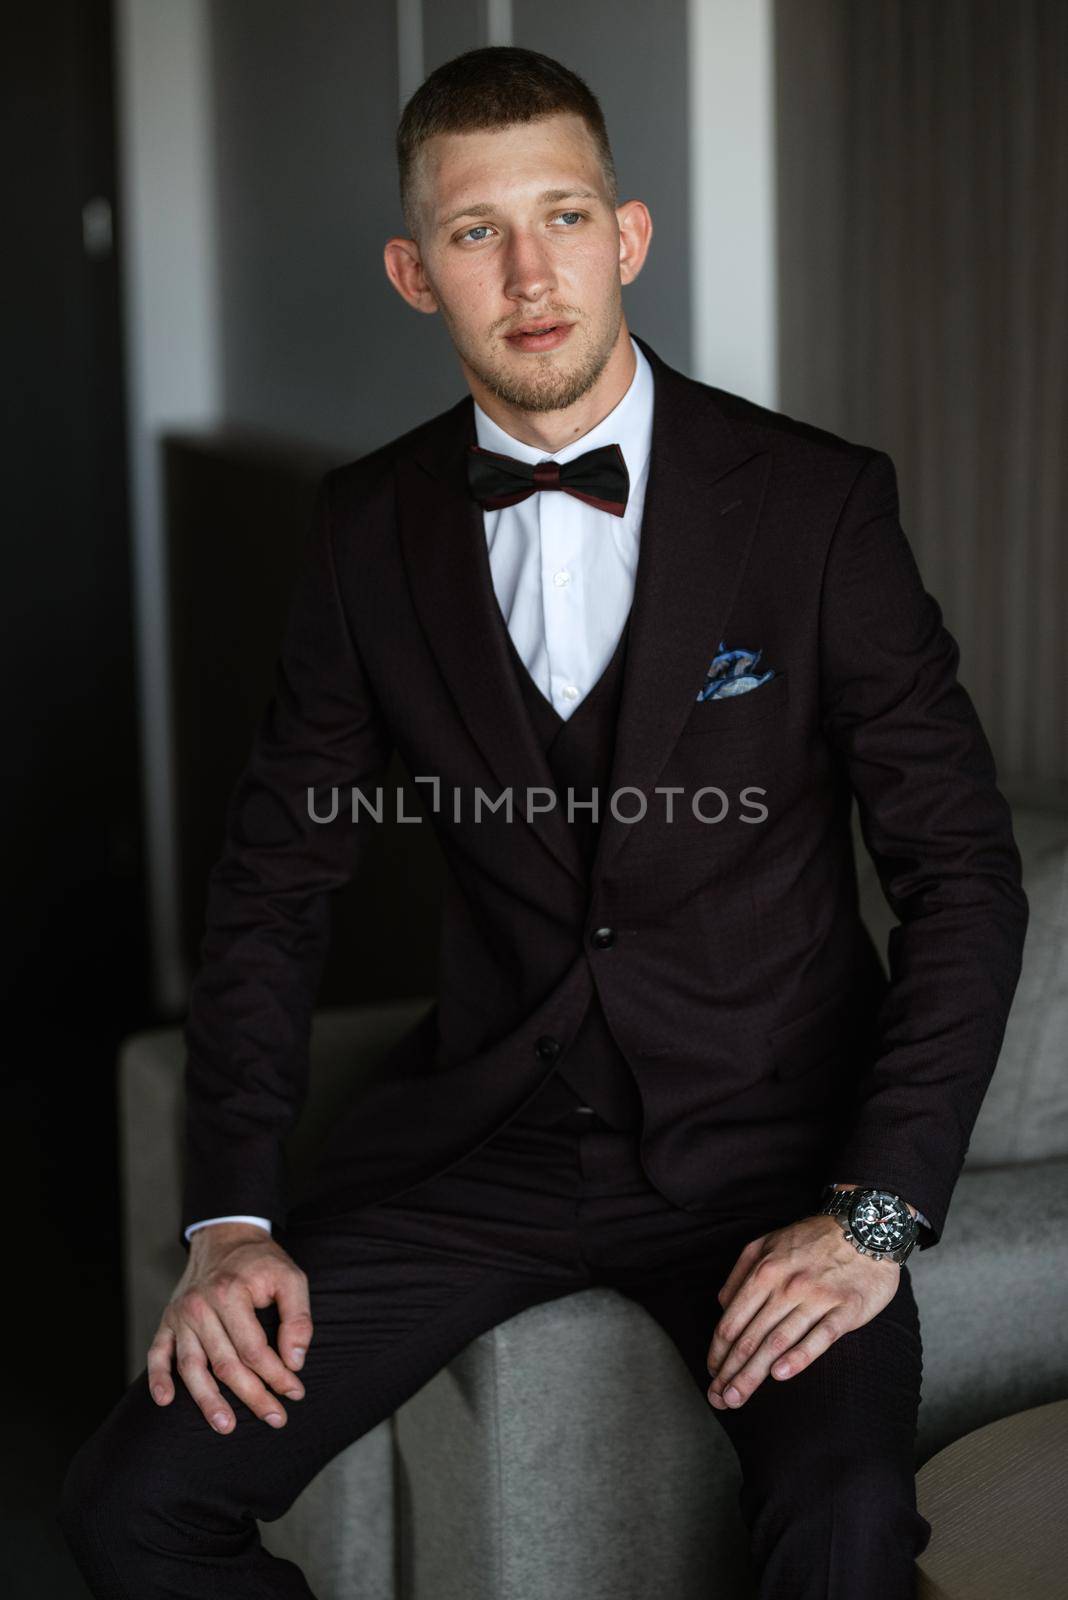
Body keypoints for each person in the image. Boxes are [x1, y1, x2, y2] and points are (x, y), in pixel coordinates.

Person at [60, 44, 1028, 1599]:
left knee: (843, 1534)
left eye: (564, 217)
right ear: (411, 269)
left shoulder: (815, 505)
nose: (529, 273)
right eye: (473, 231)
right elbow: (270, 888)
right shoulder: (363, 533)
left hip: (772, 1153)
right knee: (130, 1507)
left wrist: (877, 1210)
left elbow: (963, 876)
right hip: (486, 1146)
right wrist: (231, 1215)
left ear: (628, 236)